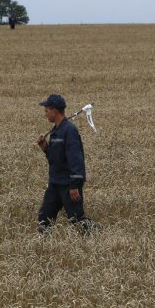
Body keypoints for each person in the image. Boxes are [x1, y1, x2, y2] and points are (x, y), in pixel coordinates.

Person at [35, 94, 96, 235]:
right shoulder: (56, 131)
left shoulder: (69, 131)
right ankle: (44, 247)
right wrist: (45, 147)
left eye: (46, 110)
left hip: (68, 184)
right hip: (55, 183)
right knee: (44, 217)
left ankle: (97, 236)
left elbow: (76, 159)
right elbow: (55, 159)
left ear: (54, 111)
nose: (45, 114)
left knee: (77, 219)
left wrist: (74, 185)